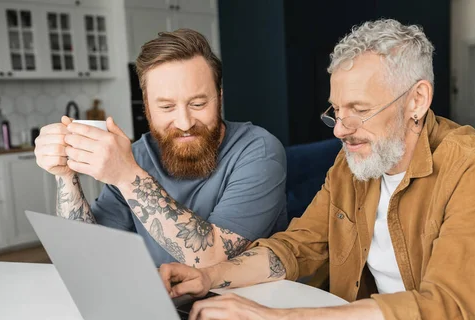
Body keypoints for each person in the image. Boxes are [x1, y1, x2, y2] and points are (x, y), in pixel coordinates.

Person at [157, 20, 475, 320]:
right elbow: (298, 247)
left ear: (416, 100)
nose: (339, 128)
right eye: (336, 109)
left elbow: (446, 315)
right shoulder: (353, 165)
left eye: (359, 109)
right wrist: (209, 276)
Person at [34, 29, 287, 268]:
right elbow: (87, 255)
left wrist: (127, 176)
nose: (185, 122)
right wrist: (66, 177)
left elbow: (211, 260)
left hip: (243, 306)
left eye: (198, 104)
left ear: (219, 97)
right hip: (165, 303)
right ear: (146, 107)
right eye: (166, 107)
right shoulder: (138, 156)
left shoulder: (259, 151)